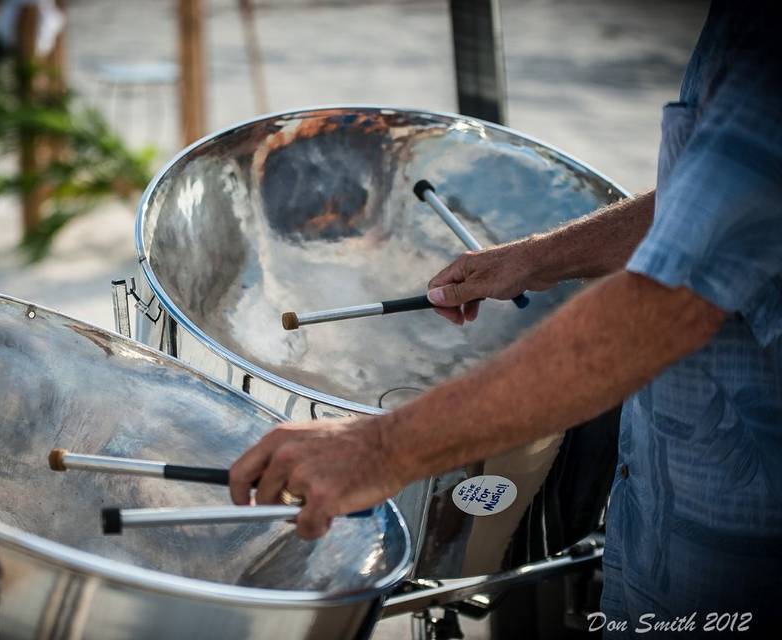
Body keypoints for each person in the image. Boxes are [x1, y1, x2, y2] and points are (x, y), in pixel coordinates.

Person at [229, 0, 782, 634]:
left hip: (746, 537)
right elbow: (705, 200)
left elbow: (665, 304)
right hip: (665, 505)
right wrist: (543, 257)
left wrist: (381, 449)